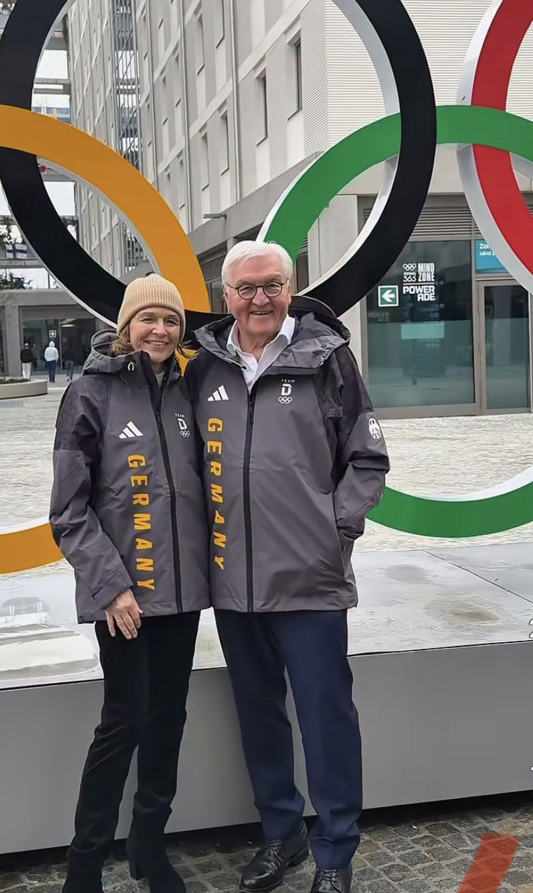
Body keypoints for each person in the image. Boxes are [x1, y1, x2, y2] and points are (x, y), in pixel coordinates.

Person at [186, 241, 389, 893]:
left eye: (272, 285)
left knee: (327, 718)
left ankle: (334, 852)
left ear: (291, 288)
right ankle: (282, 835)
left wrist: (336, 534)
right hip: (233, 583)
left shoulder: (326, 359)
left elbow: (367, 458)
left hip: (310, 578)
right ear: (226, 297)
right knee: (259, 715)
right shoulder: (205, 367)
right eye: (246, 288)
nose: (259, 299)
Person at [50, 275, 210, 893]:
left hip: (183, 592)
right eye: (149, 320)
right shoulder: (90, 394)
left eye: (171, 320)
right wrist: (112, 586)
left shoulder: (189, 388)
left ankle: (149, 847)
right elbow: (69, 508)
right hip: (125, 596)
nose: (161, 331)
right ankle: (85, 864)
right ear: (126, 325)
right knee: (124, 722)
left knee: (168, 716)